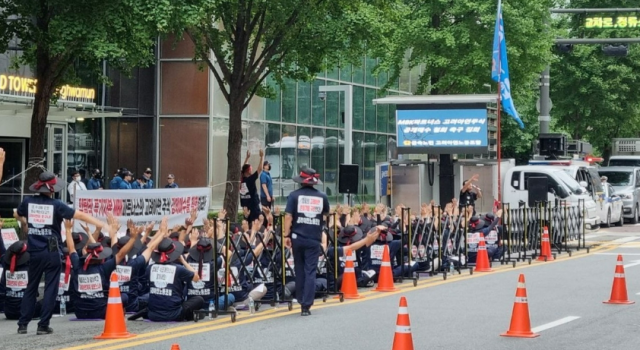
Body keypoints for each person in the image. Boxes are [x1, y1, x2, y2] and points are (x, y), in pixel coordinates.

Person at [14, 171, 106, 335]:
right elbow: (79, 215)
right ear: (52, 189)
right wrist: (101, 224)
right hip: (51, 251)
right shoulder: (56, 204)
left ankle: (23, 324)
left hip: (34, 251)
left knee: (31, 287)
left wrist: (25, 222)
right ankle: (43, 325)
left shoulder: (27, 202)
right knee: (51, 288)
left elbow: (17, 214)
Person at [284, 166, 329, 316]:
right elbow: (325, 214)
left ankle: (300, 298)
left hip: (297, 236)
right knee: (310, 271)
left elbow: (288, 216)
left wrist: (286, 235)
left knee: (299, 270)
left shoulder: (294, 196)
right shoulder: (322, 197)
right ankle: (306, 305)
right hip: (314, 238)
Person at [1, 241, 40, 320]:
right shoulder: (30, 269)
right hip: (27, 312)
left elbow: (3, 286)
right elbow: (35, 293)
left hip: (9, 312)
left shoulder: (6, 268)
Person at [240, 150, 264, 223]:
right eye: (250, 169)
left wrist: (247, 158)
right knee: (256, 223)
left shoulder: (242, 179)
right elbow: (260, 169)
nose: (252, 169)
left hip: (245, 207)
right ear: (248, 171)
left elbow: (243, 169)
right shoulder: (250, 180)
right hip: (253, 206)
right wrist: (262, 157)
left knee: (248, 223)